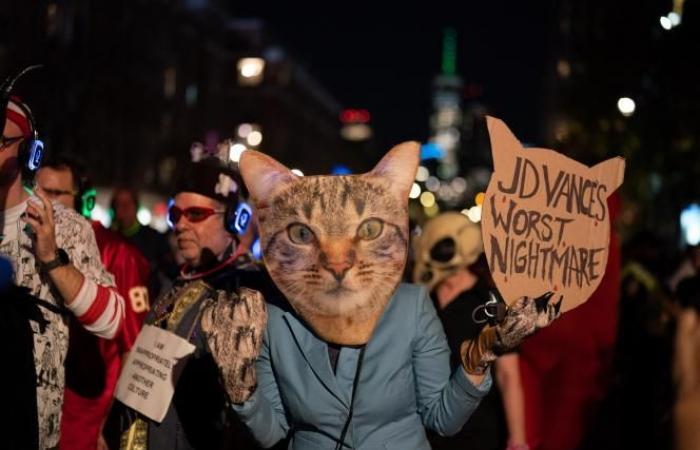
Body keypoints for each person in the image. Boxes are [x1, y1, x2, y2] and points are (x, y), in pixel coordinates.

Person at [201, 143, 562, 449]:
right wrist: (241, 388)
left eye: (368, 230)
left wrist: (480, 354)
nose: (337, 262)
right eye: (302, 233)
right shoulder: (275, 318)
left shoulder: (411, 306)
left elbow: (443, 419)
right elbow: (273, 432)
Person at [116, 153, 270, 450]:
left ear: (233, 219)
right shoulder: (179, 276)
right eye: (176, 215)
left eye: (195, 214)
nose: (180, 225)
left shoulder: (249, 287)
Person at [0, 95, 124, 449]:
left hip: (33, 433)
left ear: (29, 152)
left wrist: (52, 256)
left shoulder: (67, 226)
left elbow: (113, 321)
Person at [35, 154, 150, 450]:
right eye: (38, 190)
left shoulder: (118, 252)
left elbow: (133, 346)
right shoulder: (29, 239)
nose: (43, 201)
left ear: (84, 200)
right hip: (46, 401)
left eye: (55, 194)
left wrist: (111, 422)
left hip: (89, 409)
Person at [412, 211, 528, 450]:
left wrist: (517, 441)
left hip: (477, 432)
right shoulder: (421, 300)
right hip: (424, 432)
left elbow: (508, 375)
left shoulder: (491, 303)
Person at [110, 186, 175, 294]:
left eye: (128, 203)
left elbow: (171, 273)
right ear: (114, 208)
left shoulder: (155, 238)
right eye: (120, 204)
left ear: (136, 206)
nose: (125, 208)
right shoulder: (109, 241)